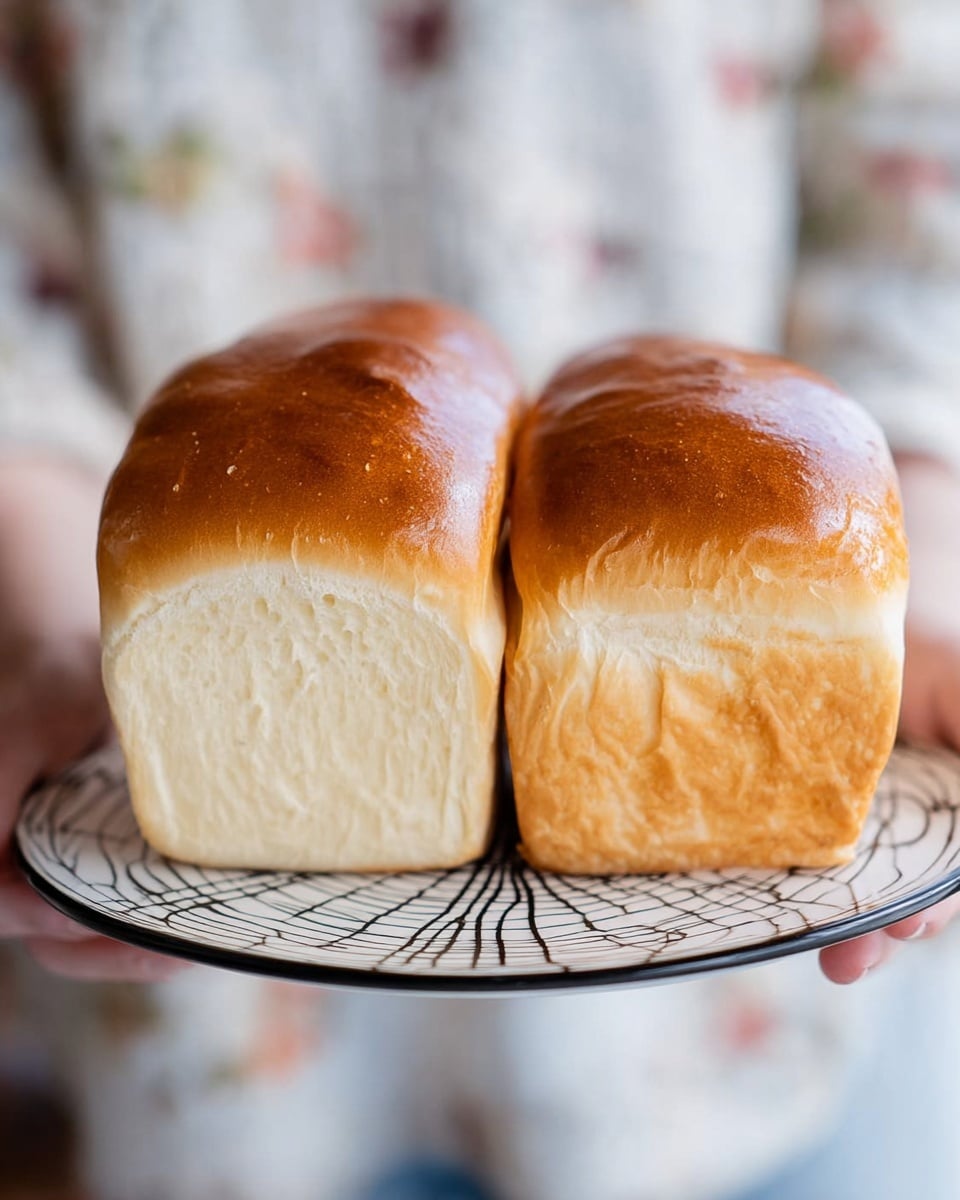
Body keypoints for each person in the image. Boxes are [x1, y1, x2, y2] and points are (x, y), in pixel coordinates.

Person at [1, 2, 959, 1198]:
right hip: (239, 1069)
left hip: (713, 1052)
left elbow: (919, 169)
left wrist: (923, 561)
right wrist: (45, 620)